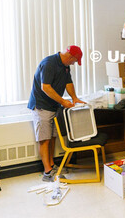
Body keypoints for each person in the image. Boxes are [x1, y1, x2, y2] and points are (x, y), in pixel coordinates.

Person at [27, 45, 86, 181]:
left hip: (53, 106)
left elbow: (68, 82)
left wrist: (74, 98)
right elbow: (45, 87)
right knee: (44, 139)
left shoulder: (65, 66)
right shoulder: (49, 64)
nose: (74, 64)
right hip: (41, 106)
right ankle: (47, 173)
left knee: (52, 137)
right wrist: (63, 101)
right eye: (74, 61)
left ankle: (52, 165)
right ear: (70, 57)